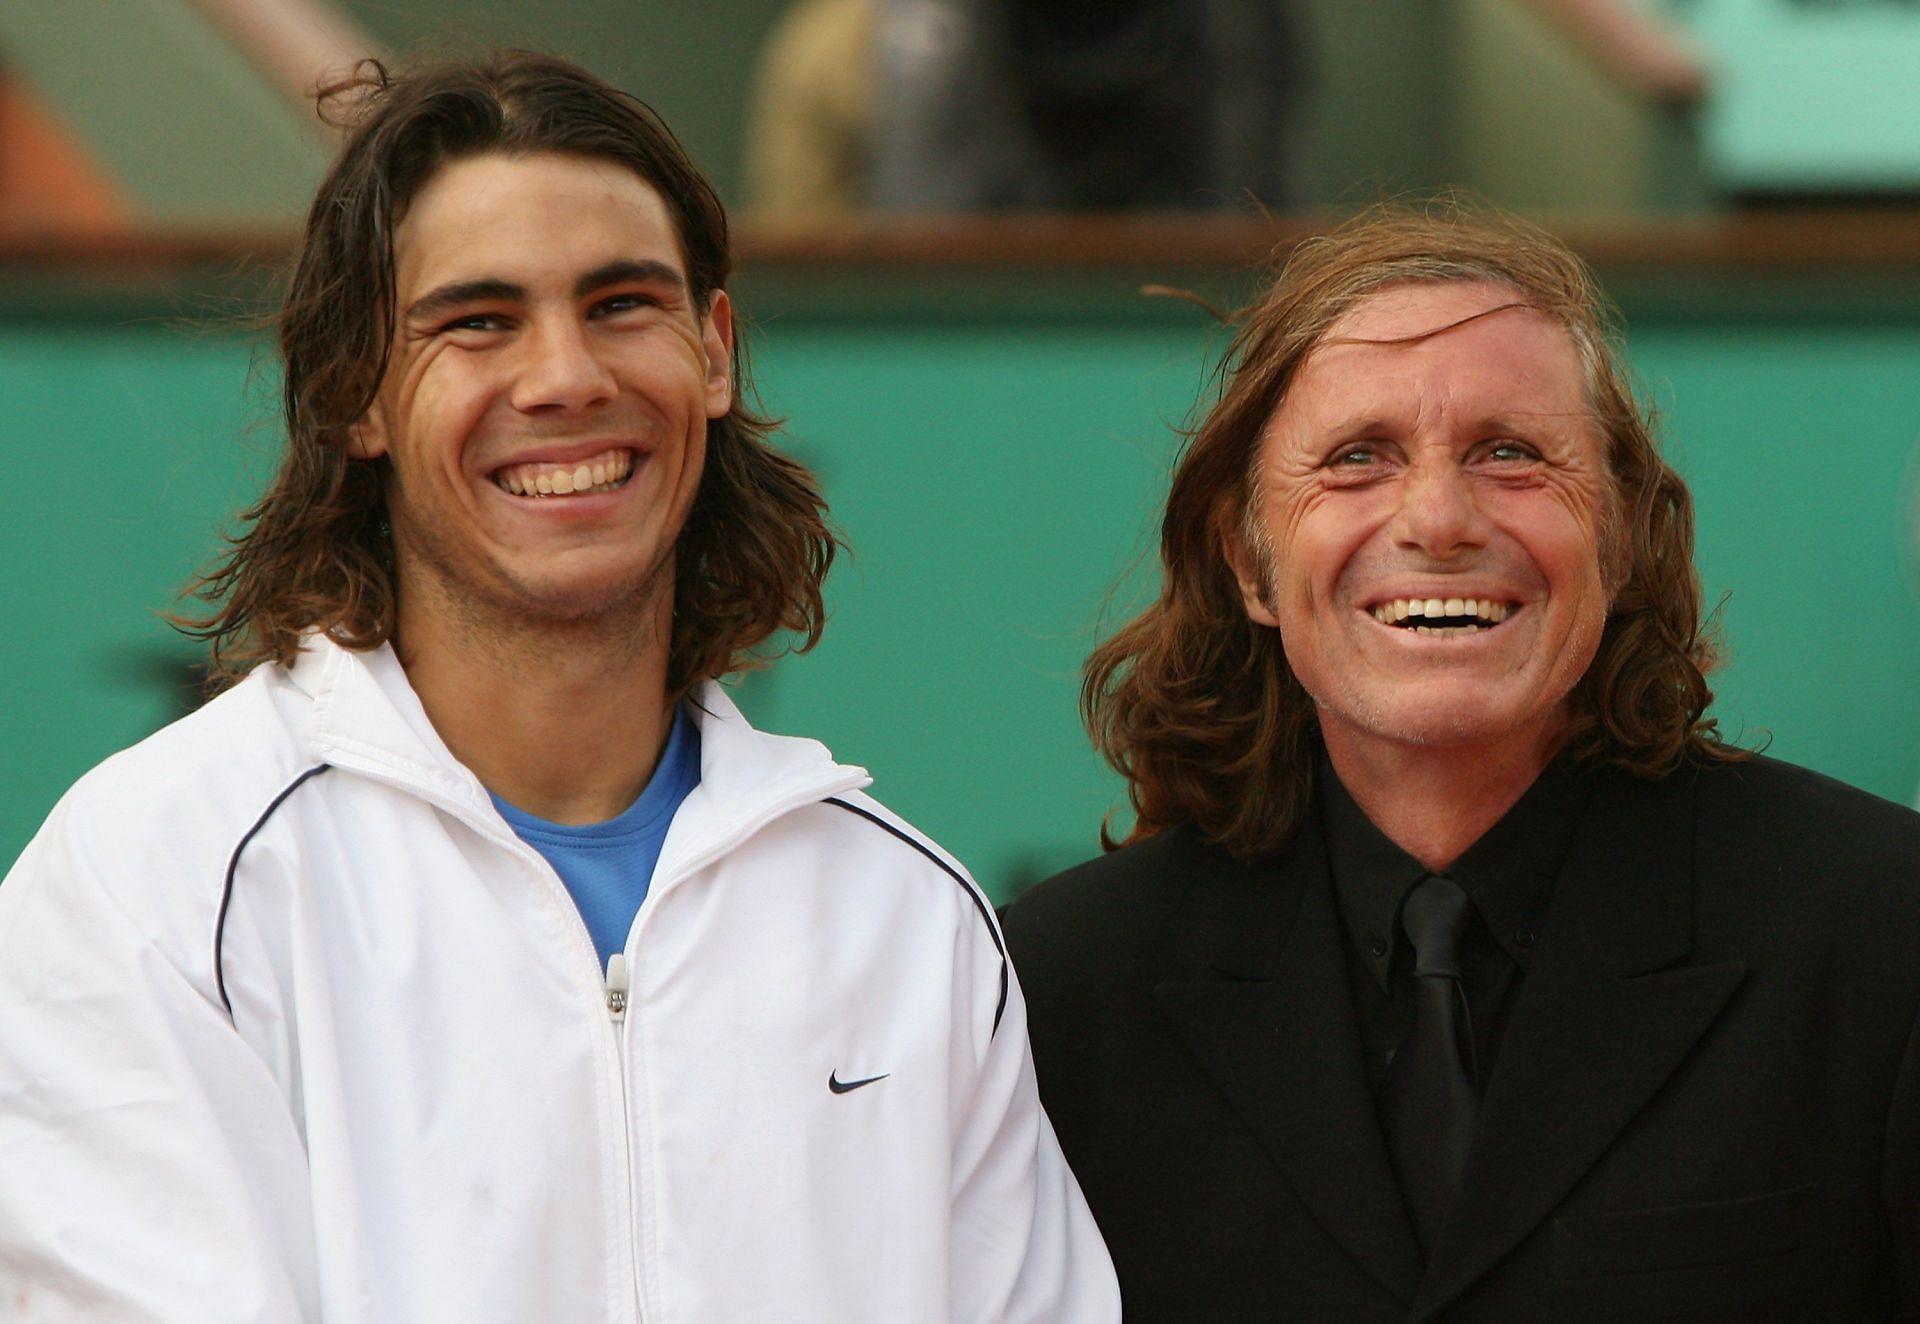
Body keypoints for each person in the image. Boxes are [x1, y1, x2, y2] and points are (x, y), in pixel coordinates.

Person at [0, 52, 1117, 1322]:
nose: (566, 377)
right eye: (477, 320)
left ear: (714, 349)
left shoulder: (910, 920)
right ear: (351, 391)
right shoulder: (150, 877)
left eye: (622, 303)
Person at [1000, 204, 1920, 1320]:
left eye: (1510, 453)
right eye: (1356, 458)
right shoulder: (1059, 989)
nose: (1438, 518)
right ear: (1248, 561)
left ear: (1621, 537)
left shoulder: (1882, 929)